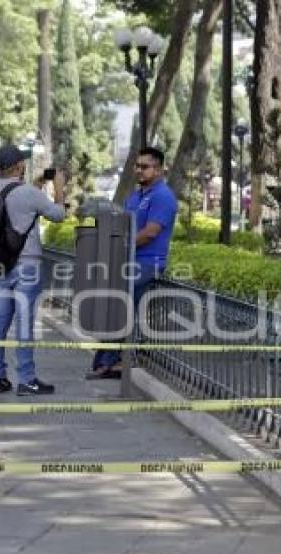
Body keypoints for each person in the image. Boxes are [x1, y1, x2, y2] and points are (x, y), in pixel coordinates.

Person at [87, 147, 178, 380]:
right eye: (137, 166)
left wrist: (122, 245)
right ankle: (111, 362)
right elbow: (121, 227)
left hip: (148, 263)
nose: (139, 170)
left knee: (119, 303)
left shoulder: (163, 197)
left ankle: (109, 363)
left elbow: (150, 233)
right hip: (127, 261)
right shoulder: (134, 197)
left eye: (145, 166)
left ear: (158, 169)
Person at [0, 144, 66, 396]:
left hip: (2, 265)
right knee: (24, 324)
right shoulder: (30, 193)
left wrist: (38, 183)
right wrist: (59, 188)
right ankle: (27, 379)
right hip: (27, 266)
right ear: (20, 165)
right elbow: (58, 215)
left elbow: (17, 205)